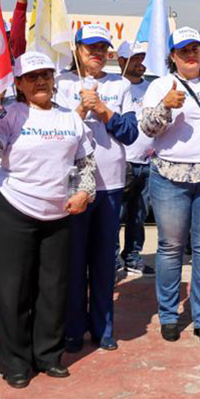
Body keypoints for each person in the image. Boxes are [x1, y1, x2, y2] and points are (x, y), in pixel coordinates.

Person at [0, 52, 96, 388]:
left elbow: (86, 163)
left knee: (53, 289)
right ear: (19, 84)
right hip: (14, 209)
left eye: (46, 75)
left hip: (58, 214)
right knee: (11, 290)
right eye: (32, 77)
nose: (40, 81)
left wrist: (84, 193)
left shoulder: (71, 119)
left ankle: (48, 355)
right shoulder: (11, 114)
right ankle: (14, 362)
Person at [140, 28, 200, 345]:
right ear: (172, 57)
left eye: (195, 49)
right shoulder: (159, 86)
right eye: (184, 51)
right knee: (170, 248)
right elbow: (148, 129)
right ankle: (168, 314)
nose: (191, 55)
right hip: (169, 179)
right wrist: (165, 106)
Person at [56, 24, 139, 352]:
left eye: (102, 47)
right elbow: (57, 132)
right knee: (74, 262)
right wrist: (80, 110)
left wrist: (103, 111)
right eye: (90, 47)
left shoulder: (120, 84)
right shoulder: (62, 83)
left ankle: (103, 328)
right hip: (74, 187)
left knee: (104, 262)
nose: (96, 53)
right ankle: (73, 330)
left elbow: (131, 133)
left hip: (110, 184)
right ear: (76, 49)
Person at [117, 41, 156, 277]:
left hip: (147, 162)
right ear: (121, 61)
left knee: (139, 216)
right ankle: (112, 260)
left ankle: (132, 256)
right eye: (134, 59)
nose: (140, 63)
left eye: (142, 58)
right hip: (122, 163)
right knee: (116, 217)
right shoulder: (116, 87)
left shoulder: (151, 87)